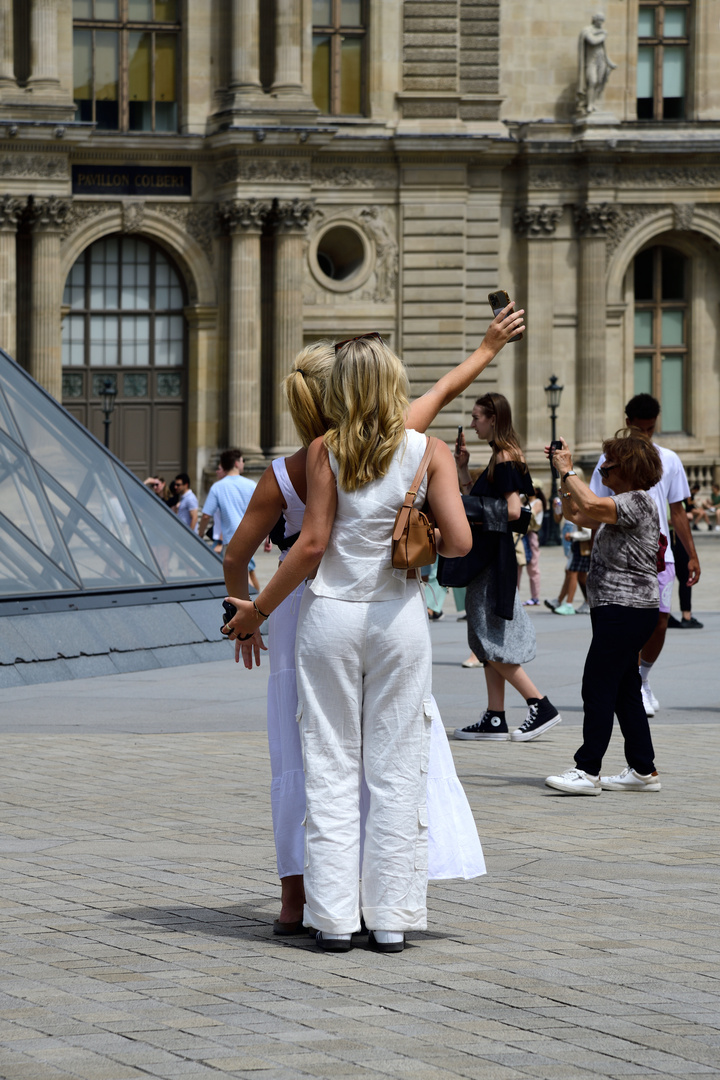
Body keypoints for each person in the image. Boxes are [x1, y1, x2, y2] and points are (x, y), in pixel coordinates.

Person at [223, 306, 524, 943]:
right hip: (397, 618)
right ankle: (391, 921)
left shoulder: (321, 452)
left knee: (328, 765)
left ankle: (330, 919)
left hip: (329, 615)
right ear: (391, 385)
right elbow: (461, 545)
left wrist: (256, 609)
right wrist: (426, 529)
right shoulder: (427, 450)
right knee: (395, 769)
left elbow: (309, 546)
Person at [545, 430, 663, 795]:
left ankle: (588, 770)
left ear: (628, 468)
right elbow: (577, 513)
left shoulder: (639, 501)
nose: (603, 468)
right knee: (625, 689)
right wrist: (562, 479)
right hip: (619, 609)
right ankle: (643, 770)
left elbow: (592, 507)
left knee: (597, 684)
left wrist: (568, 472)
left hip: (626, 609)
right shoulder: (620, 503)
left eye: (608, 464)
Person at [452, 393, 562, 744]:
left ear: (493, 419)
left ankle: (539, 704)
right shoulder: (497, 456)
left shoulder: (504, 456)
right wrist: (461, 469)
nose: (472, 423)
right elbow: (481, 502)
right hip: (488, 554)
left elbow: (514, 510)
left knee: (488, 636)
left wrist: (467, 506)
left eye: (477, 417)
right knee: (488, 634)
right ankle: (495, 716)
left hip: (490, 558)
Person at [589, 393, 700, 718]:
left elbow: (677, 511)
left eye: (651, 430)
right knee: (630, 625)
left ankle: (642, 677)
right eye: (641, 429)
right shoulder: (609, 460)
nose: (646, 436)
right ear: (628, 425)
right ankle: (631, 683)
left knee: (660, 622)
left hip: (660, 554)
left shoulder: (668, 458)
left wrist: (691, 555)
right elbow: (596, 506)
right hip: (620, 556)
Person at [198, 449, 260, 589]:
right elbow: (262, 512)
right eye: (243, 460)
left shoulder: (218, 487)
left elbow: (206, 514)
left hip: (232, 537)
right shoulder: (251, 485)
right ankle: (255, 605)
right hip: (250, 536)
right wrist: (267, 537)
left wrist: (200, 533)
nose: (243, 464)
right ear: (237, 463)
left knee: (242, 575)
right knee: (247, 573)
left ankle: (253, 606)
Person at [519, 486, 545, 606]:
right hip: (520, 534)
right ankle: (515, 596)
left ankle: (535, 597)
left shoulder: (537, 502)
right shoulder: (523, 501)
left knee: (533, 567)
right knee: (518, 565)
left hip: (531, 535)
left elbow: (531, 514)